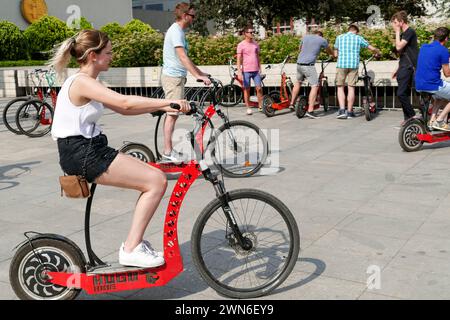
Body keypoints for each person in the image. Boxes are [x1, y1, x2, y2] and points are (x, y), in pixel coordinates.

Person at [49, 30, 190, 268]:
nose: (112, 56)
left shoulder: (88, 82)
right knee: (156, 181)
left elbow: (124, 110)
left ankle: (134, 245)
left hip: (88, 148)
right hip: (83, 152)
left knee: (154, 177)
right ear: (93, 55)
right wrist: (168, 101)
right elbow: (124, 101)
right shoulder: (82, 82)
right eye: (108, 52)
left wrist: (163, 108)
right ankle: (131, 248)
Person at [161, 2, 210, 162]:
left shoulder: (179, 31)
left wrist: (200, 73)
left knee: (175, 113)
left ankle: (170, 150)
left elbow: (186, 58)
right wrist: (199, 76)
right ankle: (168, 152)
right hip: (173, 78)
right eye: (192, 16)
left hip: (176, 77)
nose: (194, 19)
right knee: (172, 114)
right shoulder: (176, 31)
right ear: (184, 16)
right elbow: (182, 57)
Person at [334, 24, 381, 119]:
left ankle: (342, 111)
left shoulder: (339, 37)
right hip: (353, 65)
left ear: (349, 30)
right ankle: (350, 112)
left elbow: (335, 54)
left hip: (341, 64)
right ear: (356, 31)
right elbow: (371, 48)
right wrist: (378, 52)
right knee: (351, 88)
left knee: (340, 87)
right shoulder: (358, 38)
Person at [289, 30, 334, 119]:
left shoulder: (305, 37)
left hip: (299, 64)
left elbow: (300, 49)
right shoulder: (322, 40)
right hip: (308, 66)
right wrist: (333, 55)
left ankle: (292, 103)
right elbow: (329, 50)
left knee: (298, 82)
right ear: (321, 35)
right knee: (315, 86)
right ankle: (310, 110)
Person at [415, 27, 450, 131]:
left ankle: (432, 121)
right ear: (446, 39)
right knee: (440, 90)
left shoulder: (424, 47)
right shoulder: (443, 50)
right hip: (432, 85)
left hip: (419, 84)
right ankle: (439, 121)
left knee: (439, 97)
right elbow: (447, 73)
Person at [391, 11, 419, 122]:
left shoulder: (409, 32)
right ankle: (408, 118)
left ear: (401, 22)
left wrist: (397, 32)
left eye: (395, 22)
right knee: (404, 93)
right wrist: (396, 69)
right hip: (404, 66)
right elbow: (403, 54)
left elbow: (398, 47)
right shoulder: (405, 34)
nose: (393, 25)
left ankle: (412, 115)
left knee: (401, 93)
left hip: (408, 67)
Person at [236, 25, 263, 115]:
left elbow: (258, 56)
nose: (252, 34)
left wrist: (260, 68)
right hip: (246, 71)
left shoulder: (256, 44)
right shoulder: (241, 45)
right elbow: (239, 59)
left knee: (259, 88)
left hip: (256, 71)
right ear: (245, 34)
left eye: (253, 32)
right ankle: (248, 107)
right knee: (246, 89)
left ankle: (260, 106)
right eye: (250, 32)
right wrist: (239, 72)